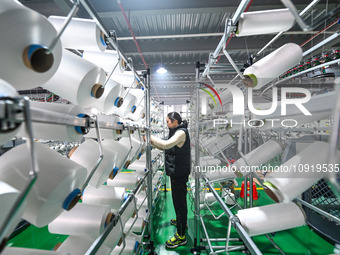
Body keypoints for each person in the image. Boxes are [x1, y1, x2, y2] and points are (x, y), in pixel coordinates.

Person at [150, 111, 191, 249]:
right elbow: (166, 147)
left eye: (168, 121)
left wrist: (149, 137)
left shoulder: (181, 133)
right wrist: (154, 144)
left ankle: (181, 236)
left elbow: (167, 145)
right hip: (177, 172)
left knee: (179, 203)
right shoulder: (176, 131)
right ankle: (182, 221)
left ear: (175, 121)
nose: (167, 124)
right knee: (179, 201)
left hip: (178, 174)